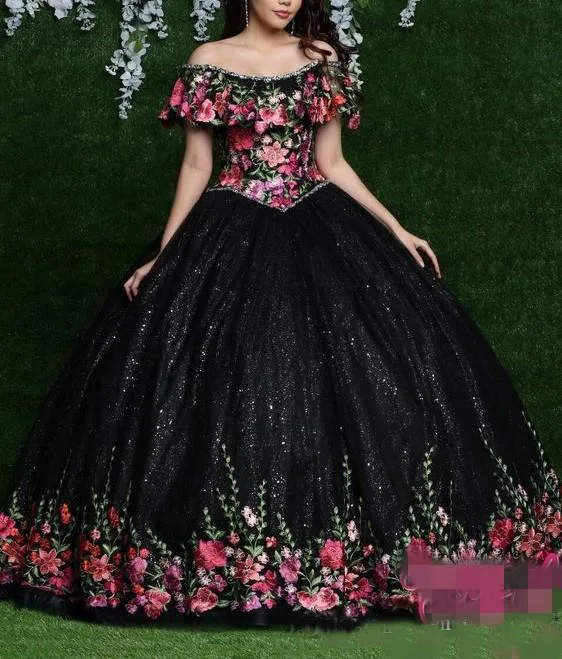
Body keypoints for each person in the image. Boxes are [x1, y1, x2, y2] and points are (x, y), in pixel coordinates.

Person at [0, 0, 559, 631]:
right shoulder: (210, 61)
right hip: (228, 228)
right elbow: (198, 165)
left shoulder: (321, 60)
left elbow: (332, 163)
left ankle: (390, 562)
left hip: (320, 221)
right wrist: (165, 257)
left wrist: (395, 228)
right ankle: (220, 563)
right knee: (214, 383)